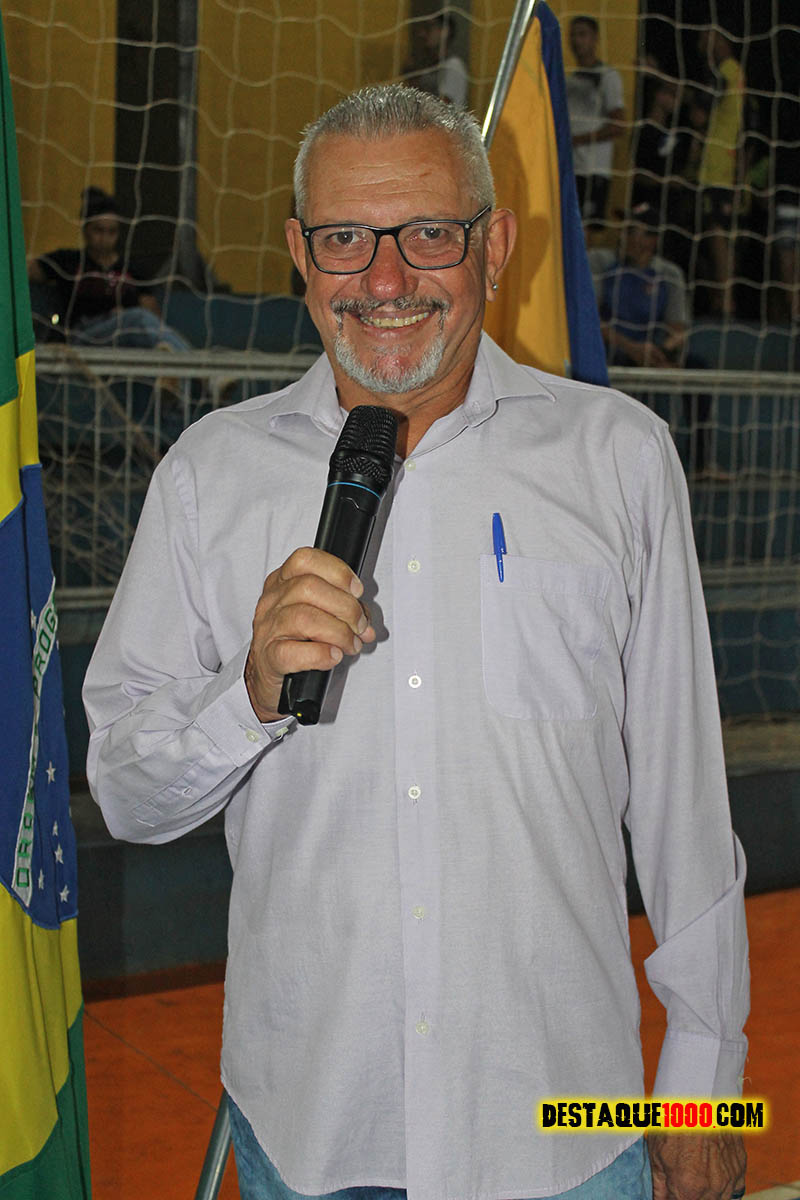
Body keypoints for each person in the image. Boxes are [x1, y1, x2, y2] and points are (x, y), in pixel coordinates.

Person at [83, 85, 749, 1200]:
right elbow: (126, 794)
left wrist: (703, 1090)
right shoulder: (208, 474)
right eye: (346, 237)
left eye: (428, 233)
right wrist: (246, 696)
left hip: (562, 1131)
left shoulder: (619, 458)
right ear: (300, 255)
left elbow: (684, 803)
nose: (384, 281)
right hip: (310, 1131)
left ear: (495, 246)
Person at [588, 202, 712, 476]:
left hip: (651, 350)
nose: (630, 237)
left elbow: (678, 329)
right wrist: (631, 347)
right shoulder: (600, 262)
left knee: (698, 369)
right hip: (611, 347)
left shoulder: (668, 273)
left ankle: (702, 461)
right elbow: (589, 318)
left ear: (654, 239)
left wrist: (662, 353)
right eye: (628, 230)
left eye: (639, 231)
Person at [28, 186, 190, 353]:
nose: (105, 238)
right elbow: (27, 271)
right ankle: (191, 362)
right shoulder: (68, 261)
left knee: (139, 321)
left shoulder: (132, 269)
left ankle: (185, 361)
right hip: (83, 336)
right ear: (85, 229)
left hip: (124, 335)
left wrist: (123, 316)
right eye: (98, 230)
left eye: (111, 232)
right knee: (137, 318)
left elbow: (153, 316)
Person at [695, 29, 744, 316]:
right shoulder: (736, 71)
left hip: (715, 166)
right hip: (727, 163)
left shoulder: (721, 72)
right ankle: (723, 298)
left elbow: (699, 115)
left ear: (720, 40)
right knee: (719, 234)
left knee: (716, 233)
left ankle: (725, 300)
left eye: (706, 39)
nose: (701, 45)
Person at [565, 16, 626, 226]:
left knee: (586, 231)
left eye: (582, 34)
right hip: (571, 168)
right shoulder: (571, 81)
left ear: (595, 39)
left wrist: (577, 140)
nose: (576, 40)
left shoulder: (607, 76)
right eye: (573, 35)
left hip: (593, 169)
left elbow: (619, 125)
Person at [401, 12, 468, 107]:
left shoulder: (453, 65)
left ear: (444, 32)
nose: (422, 34)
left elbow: (444, 106)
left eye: (429, 29)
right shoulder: (430, 67)